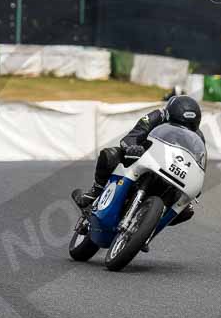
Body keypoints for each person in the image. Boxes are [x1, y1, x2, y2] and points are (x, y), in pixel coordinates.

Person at [72, 95, 204, 226]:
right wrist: (132, 148)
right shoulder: (156, 116)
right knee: (110, 155)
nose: (181, 130)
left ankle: (149, 229)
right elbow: (131, 136)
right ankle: (95, 192)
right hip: (142, 158)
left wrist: (194, 185)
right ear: (168, 116)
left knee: (186, 210)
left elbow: (198, 165)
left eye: (189, 126)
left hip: (171, 172)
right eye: (177, 124)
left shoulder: (198, 137)